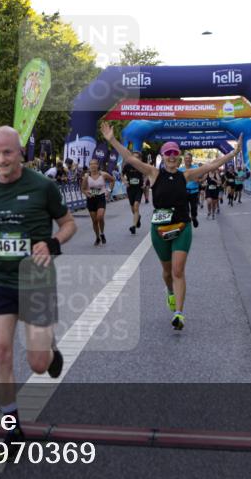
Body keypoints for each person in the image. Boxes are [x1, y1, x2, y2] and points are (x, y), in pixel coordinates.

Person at [0, 126, 76, 458]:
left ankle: (48, 348)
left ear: (20, 152)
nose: (1, 159)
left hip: (35, 281)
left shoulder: (42, 186)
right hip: (0, 282)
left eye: (7, 152)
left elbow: (69, 224)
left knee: (37, 364)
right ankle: (10, 423)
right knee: (1, 351)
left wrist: (51, 243)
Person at [101, 121, 241, 331]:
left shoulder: (186, 175)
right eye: (169, 153)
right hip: (160, 230)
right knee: (167, 273)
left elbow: (210, 166)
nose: (173, 156)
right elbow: (130, 158)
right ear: (163, 156)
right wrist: (112, 140)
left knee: (177, 270)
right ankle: (169, 292)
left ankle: (179, 314)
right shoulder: (153, 173)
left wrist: (233, 153)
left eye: (175, 152)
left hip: (182, 227)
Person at [80, 158, 115, 245]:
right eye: (91, 164)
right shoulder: (86, 177)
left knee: (100, 217)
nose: (93, 166)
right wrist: (87, 194)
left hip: (101, 198)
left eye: (94, 164)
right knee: (94, 221)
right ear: (89, 166)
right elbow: (83, 189)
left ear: (97, 165)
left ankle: (102, 233)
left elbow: (112, 180)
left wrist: (109, 191)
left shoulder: (103, 175)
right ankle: (97, 237)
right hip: (91, 199)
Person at [122, 151, 145, 233]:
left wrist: (145, 183)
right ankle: (138, 217)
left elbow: (147, 175)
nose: (135, 158)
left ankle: (133, 226)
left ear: (140, 158)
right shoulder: (127, 166)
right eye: (134, 156)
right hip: (130, 188)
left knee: (136, 206)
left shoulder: (142, 166)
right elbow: (121, 174)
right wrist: (124, 181)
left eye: (137, 157)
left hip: (139, 188)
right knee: (133, 209)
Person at [181, 153, 201, 227]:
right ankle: (187, 221)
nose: (188, 159)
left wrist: (198, 180)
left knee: (194, 208)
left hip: (194, 191)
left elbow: (202, 176)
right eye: (186, 158)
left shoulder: (196, 167)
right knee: (186, 209)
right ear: (184, 160)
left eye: (189, 158)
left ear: (191, 159)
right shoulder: (180, 169)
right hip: (184, 192)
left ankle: (194, 217)